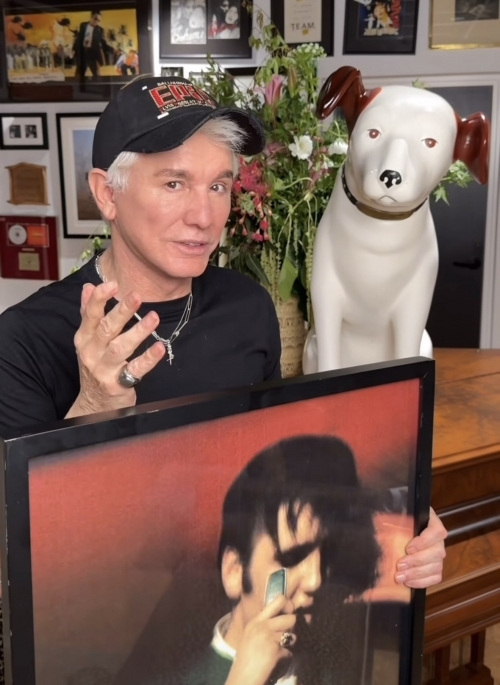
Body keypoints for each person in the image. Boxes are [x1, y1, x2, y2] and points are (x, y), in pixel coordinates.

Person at [0, 75, 446, 571]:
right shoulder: (22, 339)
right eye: (174, 183)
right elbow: (17, 559)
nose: (204, 216)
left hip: (232, 590)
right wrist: (92, 408)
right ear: (107, 194)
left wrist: (397, 519)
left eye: (218, 186)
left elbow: (279, 473)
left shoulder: (248, 307)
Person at [98, 435, 443, 685]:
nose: (315, 581)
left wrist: (421, 525)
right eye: (291, 558)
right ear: (235, 572)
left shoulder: (332, 665)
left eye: (326, 557)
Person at [74, 9, 108, 82]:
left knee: (97, 75)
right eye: (95, 19)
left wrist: (100, 59)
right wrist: (75, 51)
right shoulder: (83, 25)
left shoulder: (100, 30)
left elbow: (101, 45)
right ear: (91, 16)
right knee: (78, 76)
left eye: (98, 20)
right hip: (83, 55)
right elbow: (79, 39)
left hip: (92, 56)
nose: (96, 22)